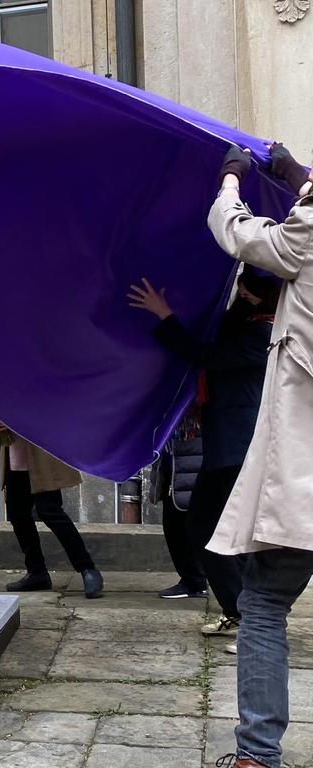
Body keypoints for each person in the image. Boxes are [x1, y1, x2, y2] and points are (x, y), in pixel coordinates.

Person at [203, 143, 313, 768]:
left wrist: (231, 176)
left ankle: (256, 756)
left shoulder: (307, 234)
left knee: (265, 604)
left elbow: (238, 232)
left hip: (304, 477)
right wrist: (295, 175)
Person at [129, 263, 278, 637]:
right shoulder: (246, 324)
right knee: (208, 529)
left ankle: (251, 618)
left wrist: (164, 315)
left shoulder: (263, 332)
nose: (243, 292)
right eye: (243, 284)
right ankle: (244, 612)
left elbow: (204, 356)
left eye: (252, 289)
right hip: (225, 449)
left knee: (212, 530)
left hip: (238, 450)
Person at [0, 419, 104, 599]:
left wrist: (13, 417)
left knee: (49, 510)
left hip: (41, 449)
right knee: (17, 513)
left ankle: (87, 569)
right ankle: (37, 572)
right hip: (15, 449)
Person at [149, 404, 207, 599]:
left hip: (188, 464)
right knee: (175, 524)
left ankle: (195, 581)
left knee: (184, 525)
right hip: (174, 465)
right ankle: (194, 579)